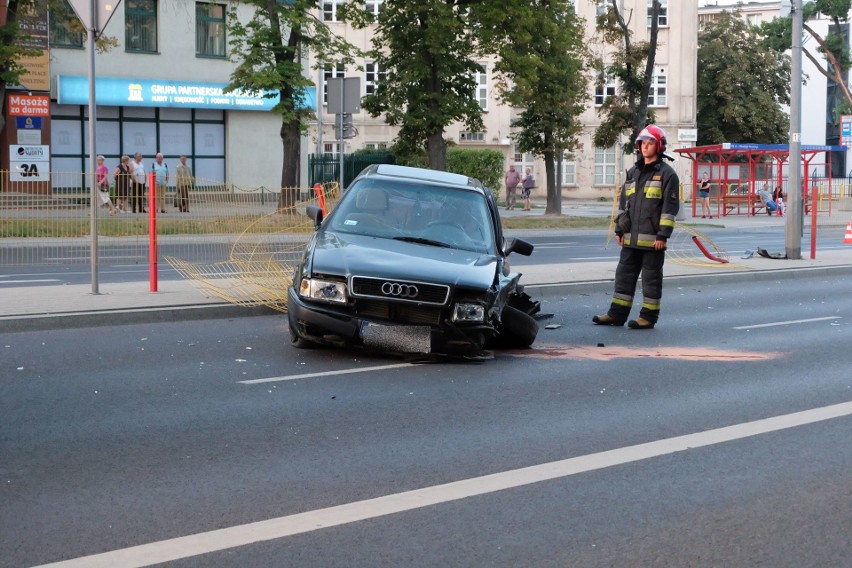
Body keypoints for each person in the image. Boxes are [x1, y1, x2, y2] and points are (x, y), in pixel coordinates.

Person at [593, 124, 680, 330]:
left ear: (658, 146)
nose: (645, 147)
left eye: (650, 143)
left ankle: (648, 317)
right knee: (623, 276)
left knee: (651, 280)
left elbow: (670, 209)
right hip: (630, 238)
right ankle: (616, 315)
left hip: (653, 241)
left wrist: (663, 236)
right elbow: (624, 205)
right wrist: (620, 230)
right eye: (642, 143)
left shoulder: (667, 174)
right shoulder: (632, 172)